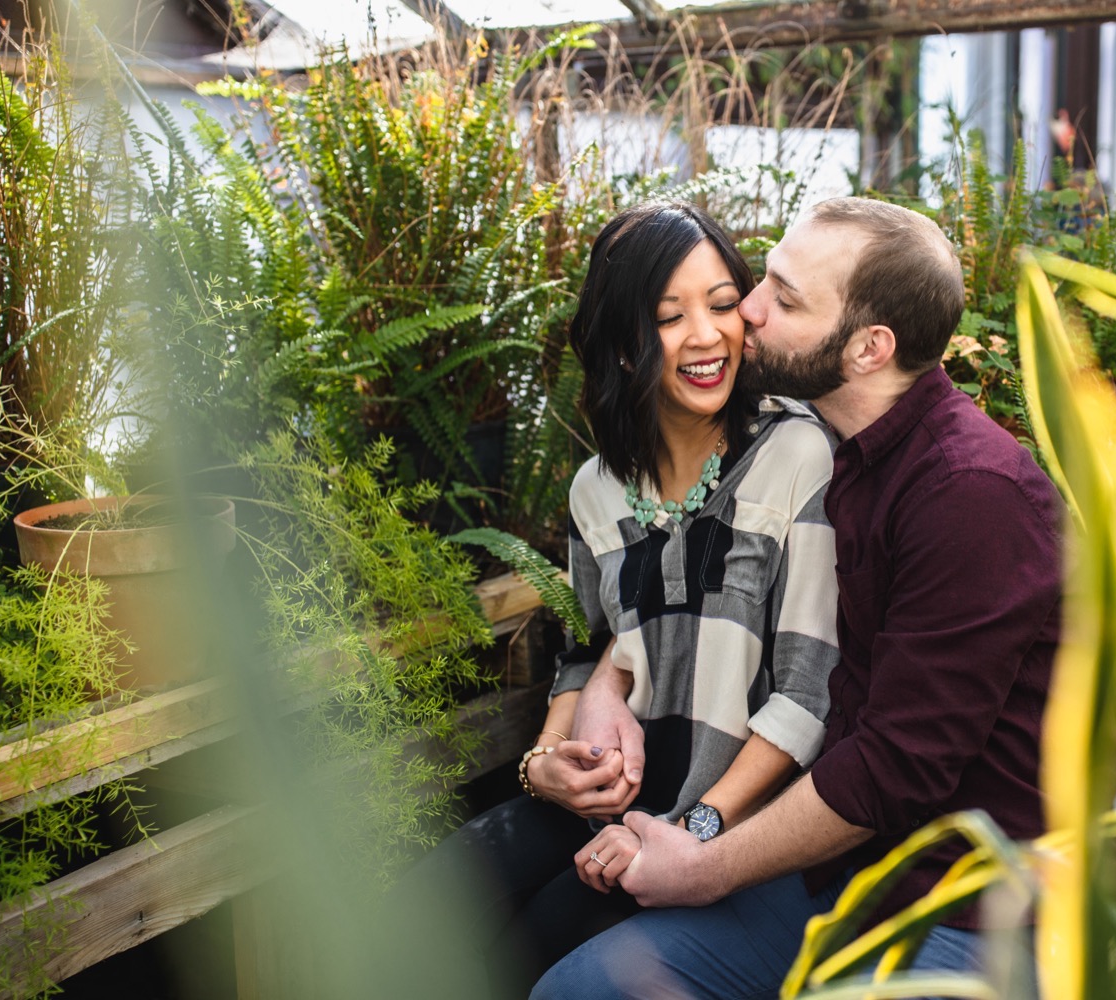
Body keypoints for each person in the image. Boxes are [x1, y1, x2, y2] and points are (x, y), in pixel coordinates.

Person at [532, 197, 1063, 1000]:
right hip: (838, 875)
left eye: (781, 298)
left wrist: (702, 856)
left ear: (867, 348)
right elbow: (668, 581)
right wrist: (606, 681)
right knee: (577, 990)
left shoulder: (969, 496)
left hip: (964, 908)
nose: (746, 312)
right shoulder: (841, 447)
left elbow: (893, 768)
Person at [383, 201, 840, 994]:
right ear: (622, 346)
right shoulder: (596, 490)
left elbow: (807, 692)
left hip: (725, 822)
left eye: (724, 304)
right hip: (608, 798)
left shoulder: (796, 453)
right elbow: (587, 653)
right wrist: (545, 765)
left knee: (528, 952)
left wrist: (691, 830)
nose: (706, 336)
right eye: (668, 317)